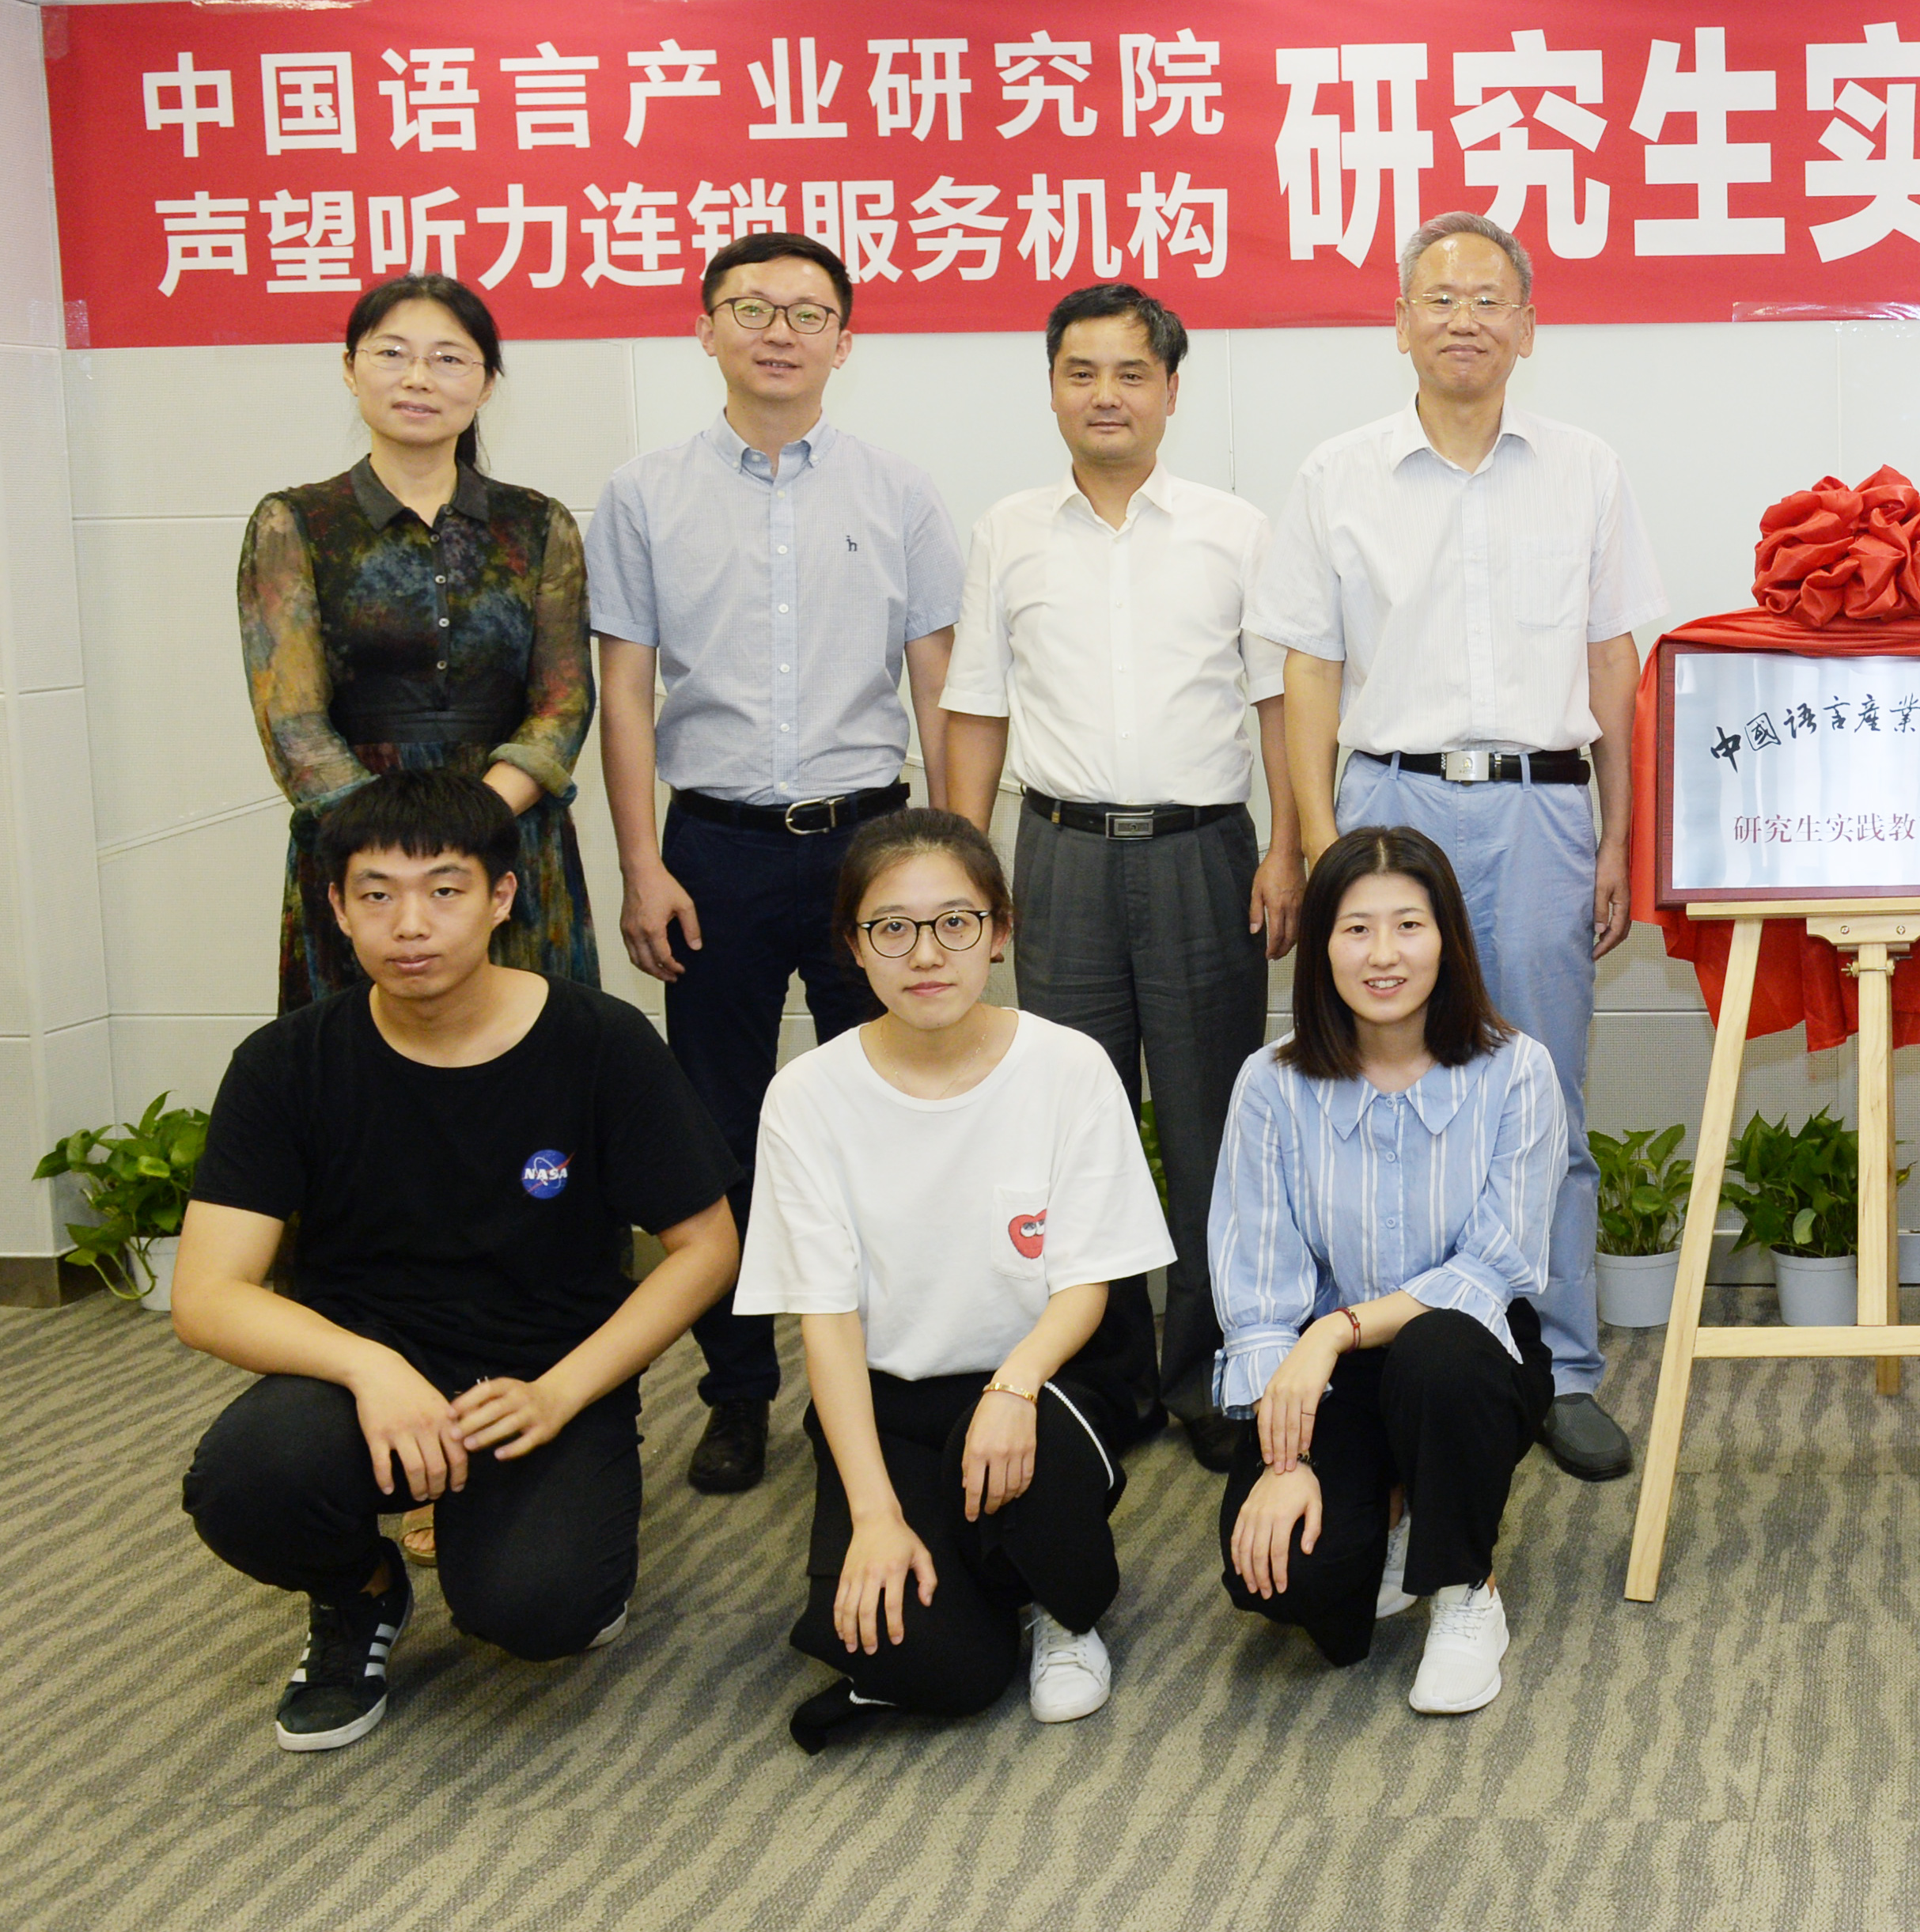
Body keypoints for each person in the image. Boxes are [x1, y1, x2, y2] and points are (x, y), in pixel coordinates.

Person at [172, 772, 739, 1752]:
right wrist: (370, 1366)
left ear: (501, 896)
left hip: (540, 1379)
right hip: (365, 1381)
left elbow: (707, 1246)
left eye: (444, 889)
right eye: (377, 893)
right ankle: (360, 1593)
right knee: (245, 1480)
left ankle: (526, 1530)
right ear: (338, 907)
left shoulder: (599, 1042)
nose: (411, 924)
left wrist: (562, 1392)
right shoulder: (287, 1062)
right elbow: (206, 1294)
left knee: (537, 1610)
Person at [1252, 214, 1662, 1487]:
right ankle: (1393, 1351)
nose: (1464, 319)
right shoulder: (1337, 475)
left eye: (1490, 299)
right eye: (1439, 299)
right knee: (1382, 1092)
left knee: (1546, 1094)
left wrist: (1618, 835)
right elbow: (1308, 668)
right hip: (1391, 803)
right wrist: (1325, 843)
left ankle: (1562, 1368)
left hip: (1543, 810)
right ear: (1400, 324)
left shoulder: (1586, 468)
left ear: (1528, 328)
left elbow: (1614, 664)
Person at [589, 230, 964, 1498]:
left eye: (809, 313)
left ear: (845, 343)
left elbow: (937, 683)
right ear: (705, 329)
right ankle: (740, 1393)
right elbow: (625, 692)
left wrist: (950, 864)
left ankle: (896, 1377)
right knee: (719, 1136)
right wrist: (641, 865)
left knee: (893, 1121)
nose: (779, 332)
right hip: (713, 851)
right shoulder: (643, 494)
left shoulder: (899, 491)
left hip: (874, 850)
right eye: (751, 308)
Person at [940, 282, 1302, 1472]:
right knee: (1070, 1133)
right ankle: (1099, 1375)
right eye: (1081, 372)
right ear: (1051, 387)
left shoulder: (1235, 530)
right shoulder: (1007, 532)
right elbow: (976, 706)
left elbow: (1277, 703)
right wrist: (963, 879)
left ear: (1172, 392)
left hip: (1206, 855)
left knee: (1209, 1129)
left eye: (1131, 373)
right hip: (1059, 859)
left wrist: (1289, 847)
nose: (1106, 395)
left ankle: (1204, 1372)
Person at [737, 811, 1176, 1753]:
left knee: (1033, 1465)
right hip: (893, 1402)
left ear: (1000, 930)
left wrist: (1014, 1386)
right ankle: (978, 1568)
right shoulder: (807, 1097)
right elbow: (827, 1324)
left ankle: (1061, 1607)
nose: (926, 953)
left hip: (1047, 1381)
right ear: (854, 943)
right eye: (892, 927)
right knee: (939, 1670)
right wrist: (874, 1515)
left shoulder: (1067, 1067)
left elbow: (1086, 1286)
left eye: (955, 921)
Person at [1210, 827, 1563, 1718]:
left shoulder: (1517, 1071)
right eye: (1355, 929)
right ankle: (1398, 1498)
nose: (1383, 954)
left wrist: (1337, 1329)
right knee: (1284, 1579)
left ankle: (1465, 1588)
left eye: (1408, 925)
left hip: (1468, 1357)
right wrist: (1285, 1456)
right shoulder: (1270, 1083)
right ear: (1321, 945)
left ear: (1447, 938)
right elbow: (1258, 1286)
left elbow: (1490, 1272)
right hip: (1330, 1373)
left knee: (1439, 1354)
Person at [239, 273, 598, 1014]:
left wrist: (474, 824)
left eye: (448, 358)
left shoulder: (538, 524)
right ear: (351, 369)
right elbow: (291, 719)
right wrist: (395, 846)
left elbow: (563, 703)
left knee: (533, 1052)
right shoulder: (295, 522)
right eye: (392, 353)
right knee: (359, 1061)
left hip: (507, 837)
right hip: (358, 849)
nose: (417, 378)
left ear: (486, 384)